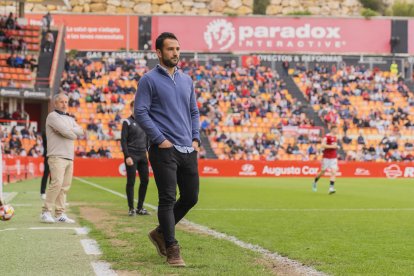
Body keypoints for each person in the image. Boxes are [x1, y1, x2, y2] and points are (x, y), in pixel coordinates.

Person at [135, 32, 200, 267]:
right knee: (167, 198)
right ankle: (172, 249)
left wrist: (195, 139)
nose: (176, 53)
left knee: (191, 197)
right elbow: (140, 112)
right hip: (163, 149)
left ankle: (160, 232)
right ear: (159, 52)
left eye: (178, 49)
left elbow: (193, 111)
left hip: (187, 148)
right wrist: (159, 138)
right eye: (171, 49)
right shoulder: (149, 80)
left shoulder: (187, 80)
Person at [40, 93, 84, 223]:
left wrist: (68, 130)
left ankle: (59, 214)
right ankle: (45, 212)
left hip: (69, 156)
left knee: (64, 187)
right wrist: (71, 132)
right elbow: (70, 134)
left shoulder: (69, 118)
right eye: (62, 102)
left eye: (66, 102)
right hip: (56, 156)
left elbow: (81, 131)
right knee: (56, 184)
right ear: (55, 103)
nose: (65, 104)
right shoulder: (52, 116)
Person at [121, 100, 150, 216]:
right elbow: (123, 141)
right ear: (131, 108)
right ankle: (131, 208)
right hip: (131, 155)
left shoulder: (145, 122)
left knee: (145, 181)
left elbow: (148, 139)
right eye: (135, 107)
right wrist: (127, 156)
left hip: (143, 155)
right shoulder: (127, 122)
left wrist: (149, 152)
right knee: (131, 181)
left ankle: (140, 207)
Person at [312, 125, 339, 194]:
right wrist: (332, 146)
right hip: (326, 157)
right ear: (333, 129)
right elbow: (322, 145)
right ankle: (315, 181)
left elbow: (334, 145)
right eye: (336, 129)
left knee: (333, 172)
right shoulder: (327, 137)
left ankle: (331, 188)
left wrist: (336, 147)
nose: (337, 130)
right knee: (322, 172)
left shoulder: (335, 137)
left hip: (333, 157)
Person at [40, 131, 50, 200]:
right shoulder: (45, 133)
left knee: (54, 175)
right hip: (48, 155)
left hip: (55, 155)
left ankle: (51, 193)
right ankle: (43, 192)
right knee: (46, 174)